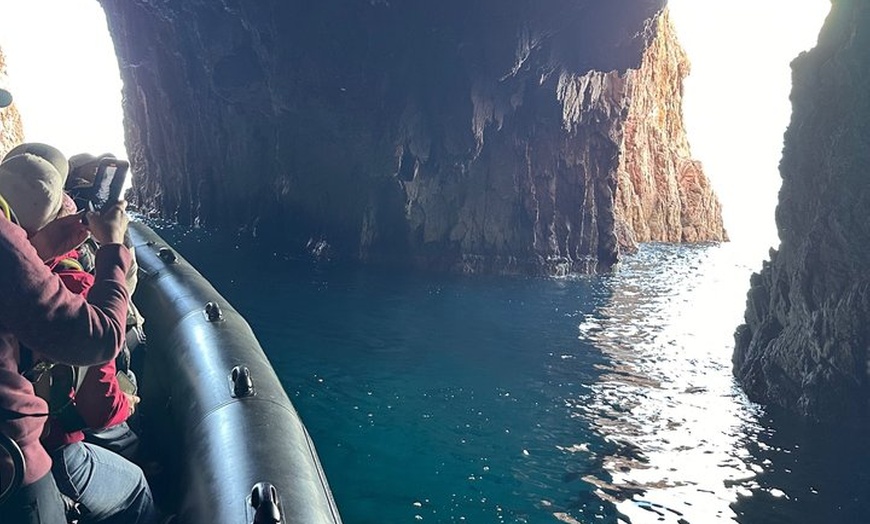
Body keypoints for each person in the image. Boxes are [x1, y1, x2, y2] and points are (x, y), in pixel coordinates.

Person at [0, 151, 132, 523]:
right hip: (13, 461)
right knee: (136, 489)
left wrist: (36, 251)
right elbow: (98, 339)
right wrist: (111, 248)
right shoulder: (4, 242)